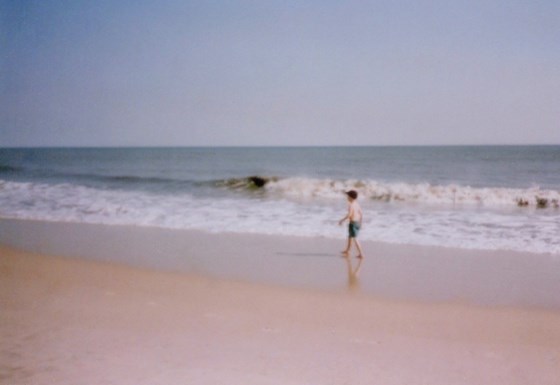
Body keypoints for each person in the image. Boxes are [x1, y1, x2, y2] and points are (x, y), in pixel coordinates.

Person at [339, 190, 365, 259]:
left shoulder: (351, 205)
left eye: (348, 196)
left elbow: (349, 215)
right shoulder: (357, 204)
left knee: (355, 239)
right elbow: (361, 214)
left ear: (351, 197)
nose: (347, 197)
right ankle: (348, 250)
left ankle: (361, 254)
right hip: (357, 223)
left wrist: (342, 220)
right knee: (350, 237)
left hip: (353, 224)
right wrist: (361, 223)